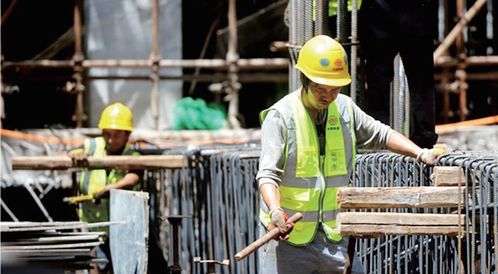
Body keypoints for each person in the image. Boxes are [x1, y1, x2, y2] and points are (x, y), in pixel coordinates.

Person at [256, 35, 438, 274]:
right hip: (289, 240)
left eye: (335, 89)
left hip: (334, 238)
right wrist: (276, 211)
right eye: (321, 89)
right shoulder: (281, 117)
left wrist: (420, 153)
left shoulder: (344, 109)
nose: (329, 96)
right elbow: (267, 175)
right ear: (305, 80)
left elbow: (381, 134)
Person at [69, 102, 142, 274]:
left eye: (116, 135)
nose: (111, 140)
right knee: (94, 268)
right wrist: (77, 155)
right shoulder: (92, 146)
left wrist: (112, 188)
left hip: (122, 229)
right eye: (107, 134)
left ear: (127, 135)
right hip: (92, 226)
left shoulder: (132, 156)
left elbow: (135, 176)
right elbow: (71, 153)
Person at [359, 0, 438, 148]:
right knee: (421, 81)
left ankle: (378, 139)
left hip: (379, 13)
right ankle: (424, 141)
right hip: (416, 14)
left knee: (378, 81)